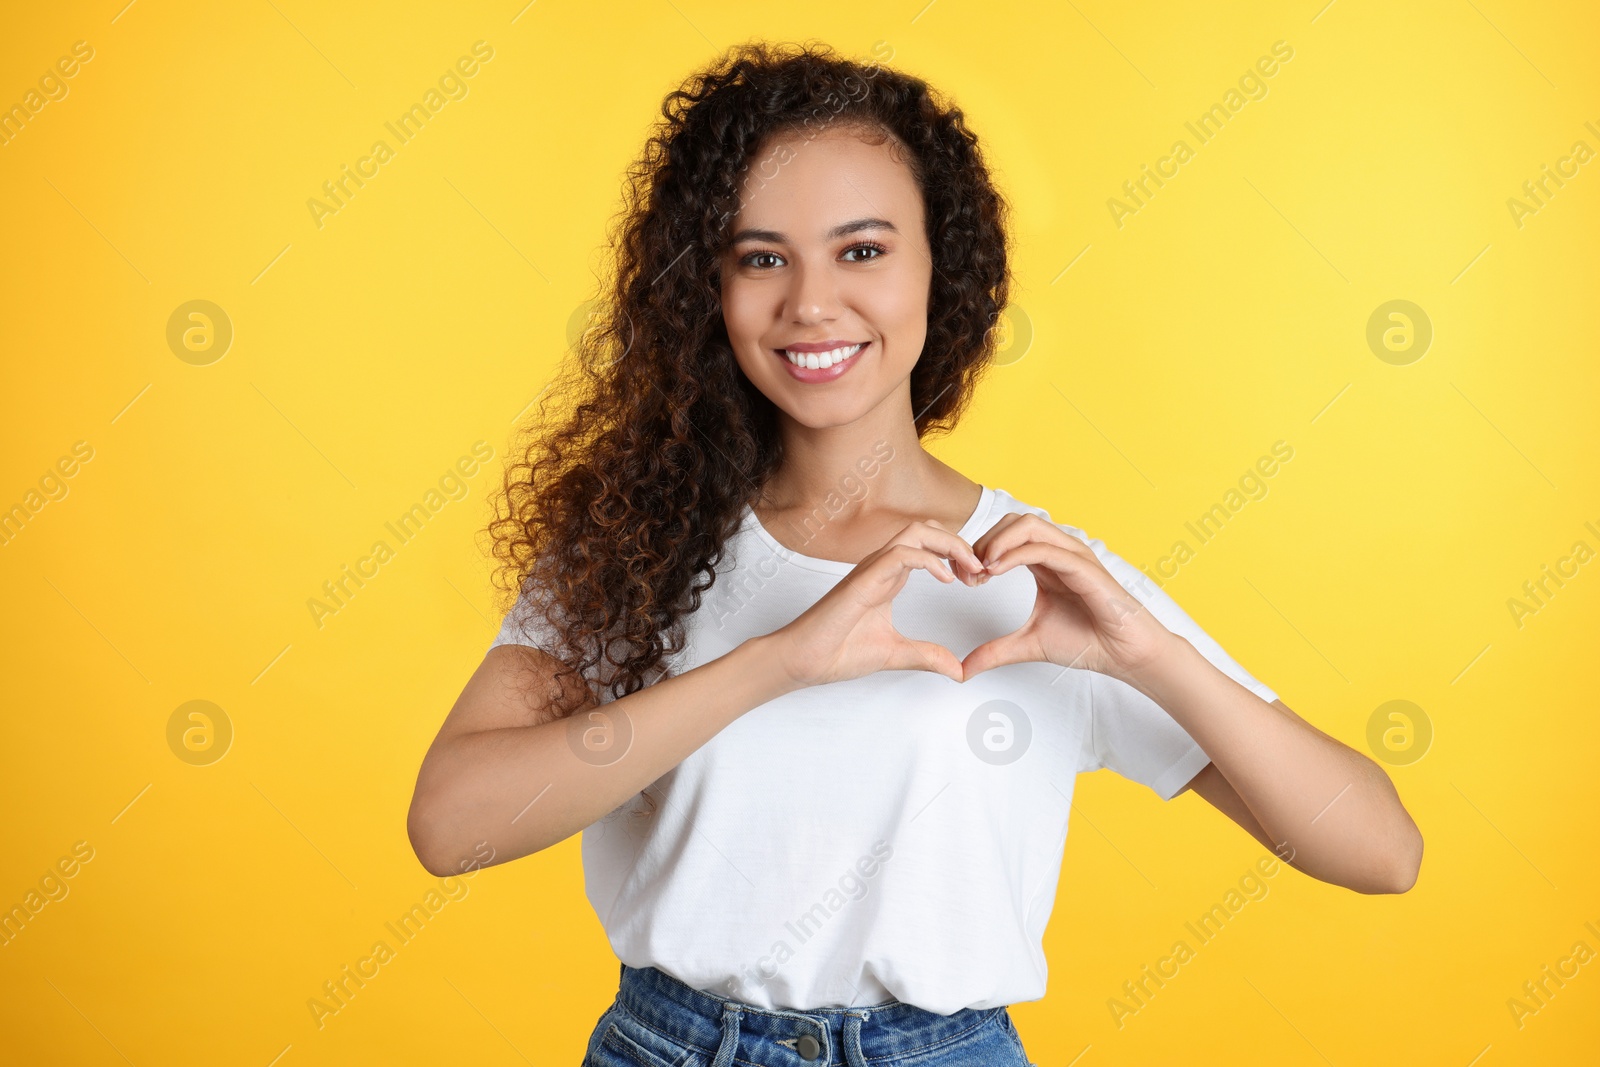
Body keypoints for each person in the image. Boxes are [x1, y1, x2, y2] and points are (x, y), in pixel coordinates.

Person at [406, 40, 1423, 1067]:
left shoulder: (1031, 576)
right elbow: (451, 826)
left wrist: (1144, 654)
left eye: (862, 250)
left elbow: (1379, 850)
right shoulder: (638, 541)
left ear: (943, 267)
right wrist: (778, 660)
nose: (809, 302)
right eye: (762, 256)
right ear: (706, 288)